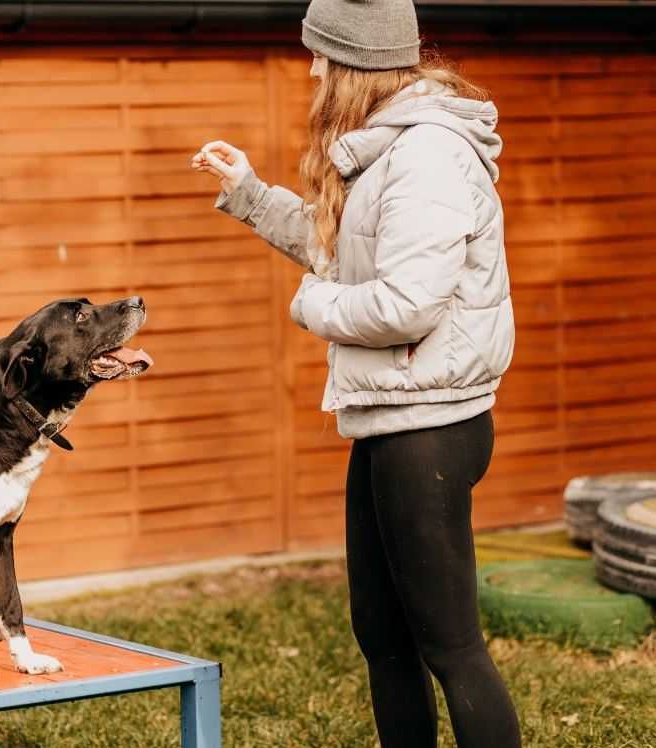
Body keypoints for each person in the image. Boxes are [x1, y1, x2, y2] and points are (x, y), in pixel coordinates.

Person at [191, 0, 520, 746]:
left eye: (321, 57)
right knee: (382, 639)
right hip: (389, 417)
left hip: (429, 429)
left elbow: (405, 304)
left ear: (357, 65)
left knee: (450, 646)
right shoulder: (388, 148)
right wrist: (248, 192)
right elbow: (345, 244)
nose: (310, 70)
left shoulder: (426, 155)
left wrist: (312, 305)